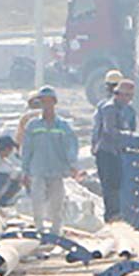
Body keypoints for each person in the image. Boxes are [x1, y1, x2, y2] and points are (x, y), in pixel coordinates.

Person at [18, 86, 81, 235]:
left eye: (48, 101)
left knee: (56, 202)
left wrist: (72, 164)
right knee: (37, 200)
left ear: (54, 102)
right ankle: (39, 227)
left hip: (57, 169)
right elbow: (27, 149)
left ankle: (55, 230)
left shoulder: (63, 126)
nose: (46, 105)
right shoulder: (33, 126)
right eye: (43, 101)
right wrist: (25, 171)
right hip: (38, 169)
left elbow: (71, 146)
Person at [91, 77, 138, 222]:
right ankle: (111, 213)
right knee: (109, 183)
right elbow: (109, 130)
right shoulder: (109, 108)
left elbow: (132, 127)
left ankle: (119, 211)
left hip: (121, 151)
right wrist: (126, 136)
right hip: (107, 151)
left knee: (119, 182)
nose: (128, 99)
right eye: (126, 95)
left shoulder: (129, 110)